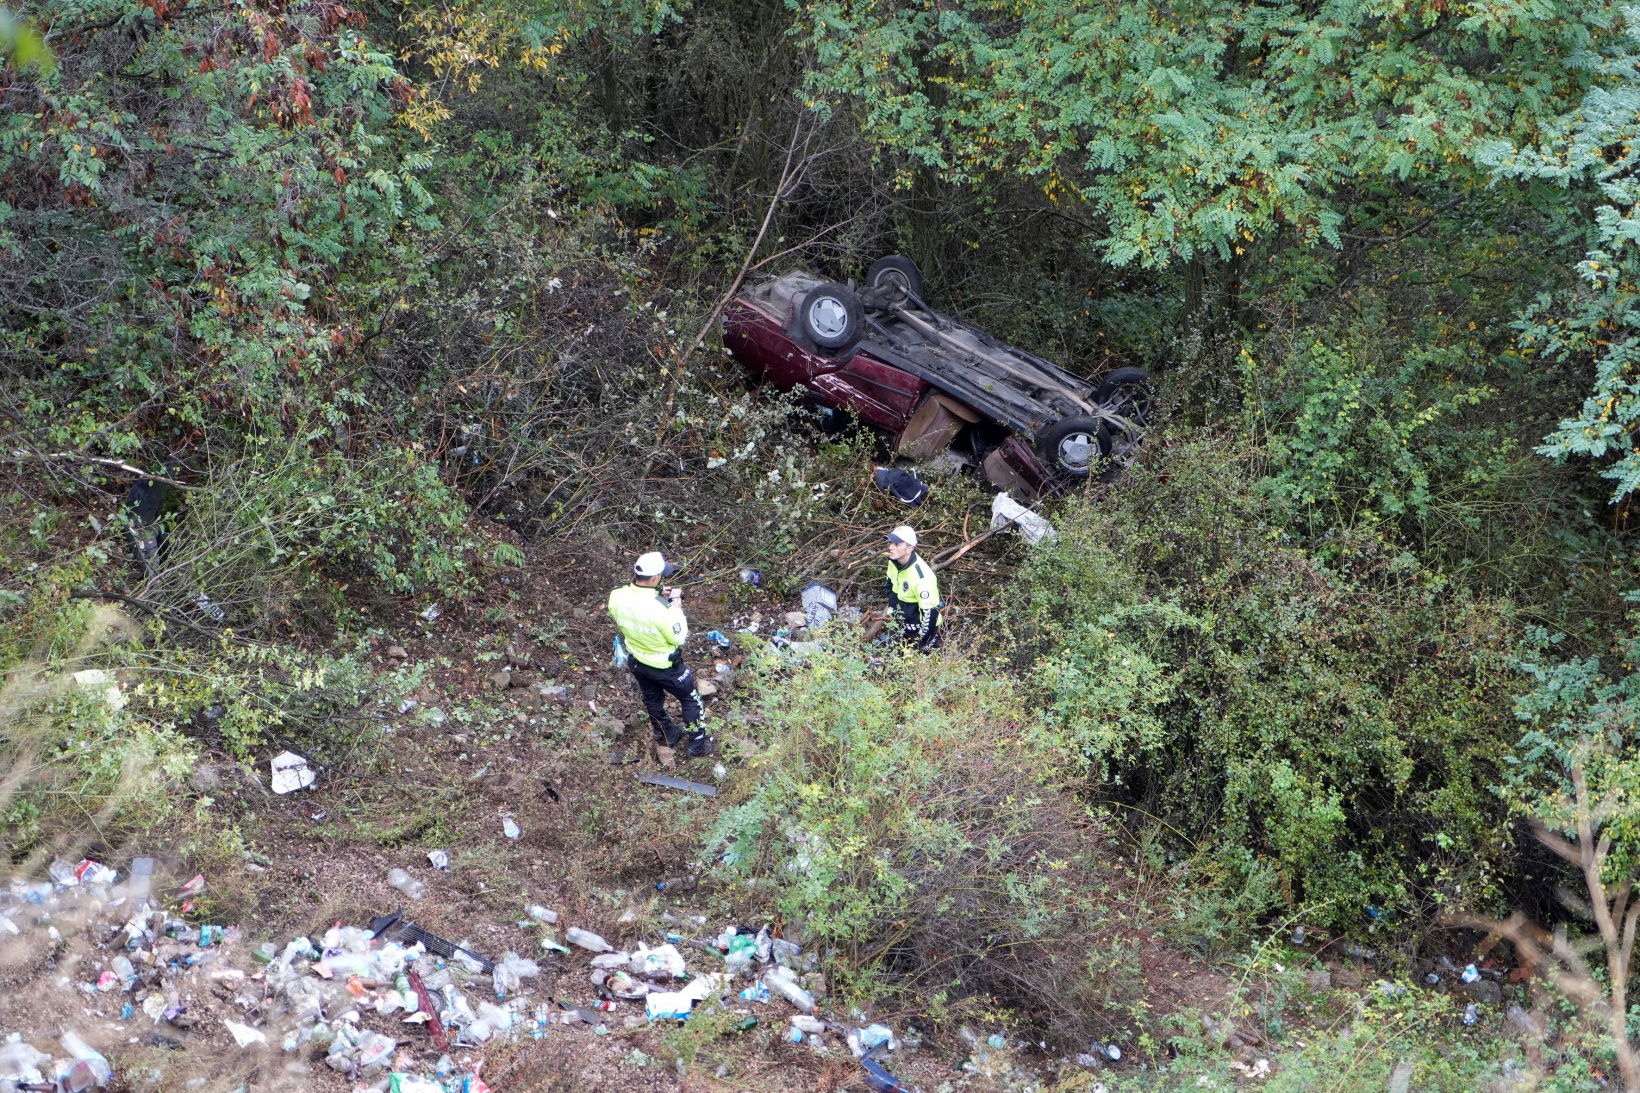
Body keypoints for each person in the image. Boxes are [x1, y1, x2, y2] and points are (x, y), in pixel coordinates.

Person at [607, 551, 715, 758]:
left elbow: (635, 603)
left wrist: (656, 593)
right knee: (691, 700)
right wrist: (676, 608)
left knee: (652, 699)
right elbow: (679, 638)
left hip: (638, 662)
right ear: (655, 577)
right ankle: (697, 746)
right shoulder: (663, 610)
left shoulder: (617, 596)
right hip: (666, 667)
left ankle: (667, 733)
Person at [883, 525, 941, 651]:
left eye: (897, 544)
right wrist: (893, 611)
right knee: (891, 654)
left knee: (916, 658)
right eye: (891, 543)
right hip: (899, 621)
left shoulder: (922, 578)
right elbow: (890, 585)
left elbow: (930, 615)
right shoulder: (893, 562)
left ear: (909, 548)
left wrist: (921, 640)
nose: (891, 547)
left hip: (920, 628)